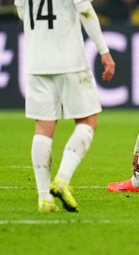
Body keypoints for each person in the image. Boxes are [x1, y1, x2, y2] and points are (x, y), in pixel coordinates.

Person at [15, 0, 115, 213]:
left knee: (43, 127)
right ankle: (62, 179)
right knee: (88, 121)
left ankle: (44, 199)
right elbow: (86, 12)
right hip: (70, 62)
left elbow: (23, 14)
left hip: (36, 62)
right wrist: (104, 51)